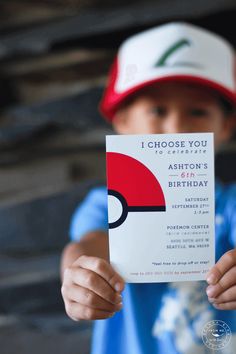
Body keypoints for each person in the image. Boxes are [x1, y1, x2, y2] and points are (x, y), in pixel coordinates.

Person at [60, 22, 236, 354]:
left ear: (225, 126)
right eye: (157, 110)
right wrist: (79, 275)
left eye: (198, 112)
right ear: (122, 121)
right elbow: (89, 244)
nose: (176, 128)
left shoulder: (229, 204)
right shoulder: (104, 203)